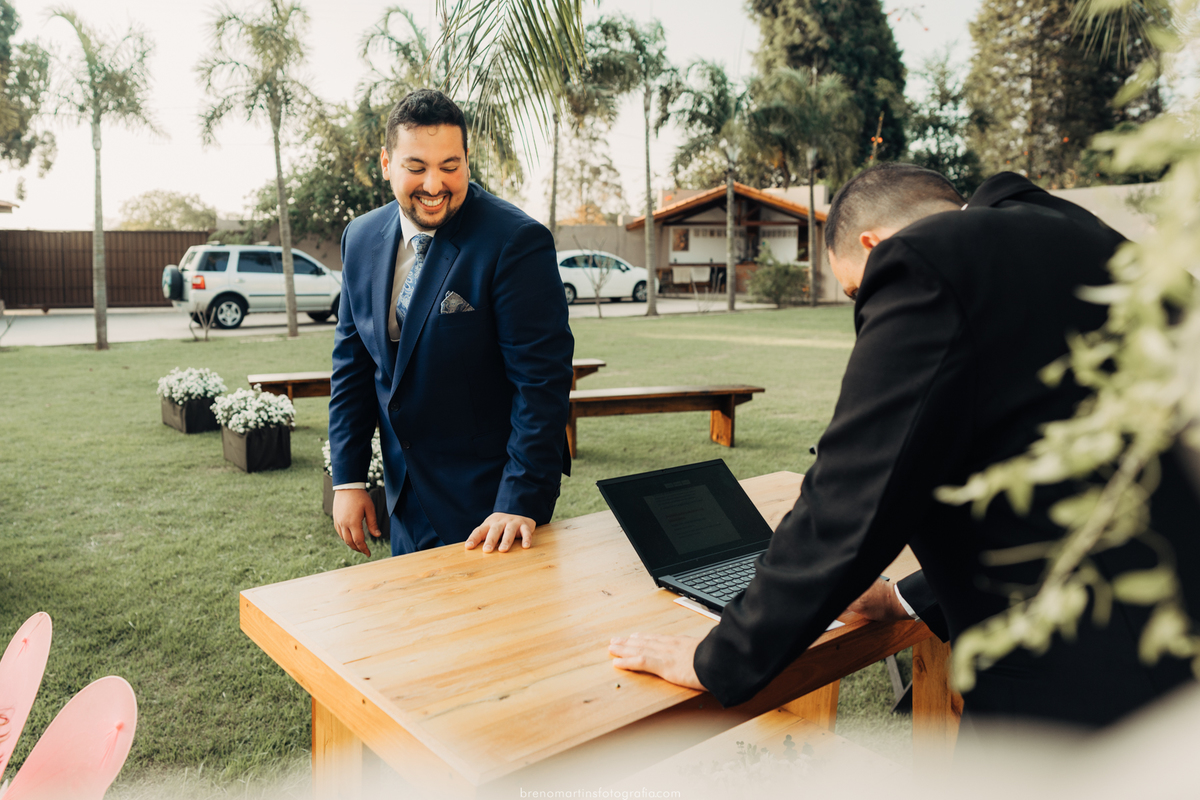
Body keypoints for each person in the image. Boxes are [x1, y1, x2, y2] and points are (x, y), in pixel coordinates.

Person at [608, 165, 1200, 728]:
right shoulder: (1090, 240)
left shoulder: (924, 259)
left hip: (1082, 688)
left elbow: (853, 496)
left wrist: (717, 659)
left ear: (875, 245)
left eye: (855, 292)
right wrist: (904, 599)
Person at [328, 89, 574, 558]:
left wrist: (518, 500)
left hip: (492, 509)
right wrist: (349, 479)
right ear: (387, 163)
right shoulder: (359, 238)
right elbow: (352, 367)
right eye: (416, 167)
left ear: (467, 159)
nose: (434, 184)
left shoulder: (516, 241)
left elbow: (541, 384)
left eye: (450, 165)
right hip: (405, 502)